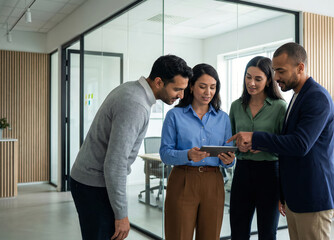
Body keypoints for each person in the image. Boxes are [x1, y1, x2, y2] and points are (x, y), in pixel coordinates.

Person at [70, 55, 193, 240]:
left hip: (88, 181)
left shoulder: (131, 89)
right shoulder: (136, 105)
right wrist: (121, 215)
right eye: (177, 89)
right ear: (159, 82)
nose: (181, 96)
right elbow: (115, 163)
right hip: (94, 186)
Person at [228, 42, 334, 240]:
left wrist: (256, 138)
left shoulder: (316, 97)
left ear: (300, 67)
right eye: (274, 70)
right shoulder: (298, 96)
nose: (276, 77)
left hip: (312, 194)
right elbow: (287, 143)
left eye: (280, 71)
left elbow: (300, 144)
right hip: (296, 193)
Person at [160, 63, 235, 240]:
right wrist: (187, 155)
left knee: (210, 235)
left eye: (212, 87)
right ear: (191, 86)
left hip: (214, 181)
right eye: (202, 86)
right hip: (183, 180)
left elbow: (230, 158)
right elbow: (165, 153)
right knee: (178, 235)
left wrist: (229, 160)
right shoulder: (175, 115)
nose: (208, 92)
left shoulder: (223, 118)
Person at [228, 56, 286, 240]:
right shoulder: (236, 106)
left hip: (269, 174)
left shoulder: (280, 107)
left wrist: (263, 145)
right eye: (248, 77)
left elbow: (285, 145)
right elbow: (229, 142)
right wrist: (238, 149)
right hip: (242, 172)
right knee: (238, 229)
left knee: (267, 232)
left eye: (258, 79)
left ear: (269, 80)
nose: (251, 83)